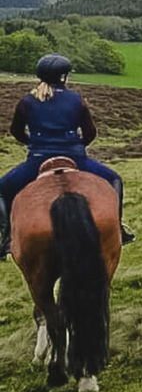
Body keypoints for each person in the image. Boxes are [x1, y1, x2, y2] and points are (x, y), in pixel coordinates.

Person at [0, 54, 134, 259]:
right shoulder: (77, 100)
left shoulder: (26, 102)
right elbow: (90, 134)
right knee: (115, 179)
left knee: (2, 189)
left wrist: (33, 143)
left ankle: (7, 236)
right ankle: (118, 229)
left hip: (37, 160)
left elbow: (16, 131)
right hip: (76, 158)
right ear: (63, 77)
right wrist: (76, 147)